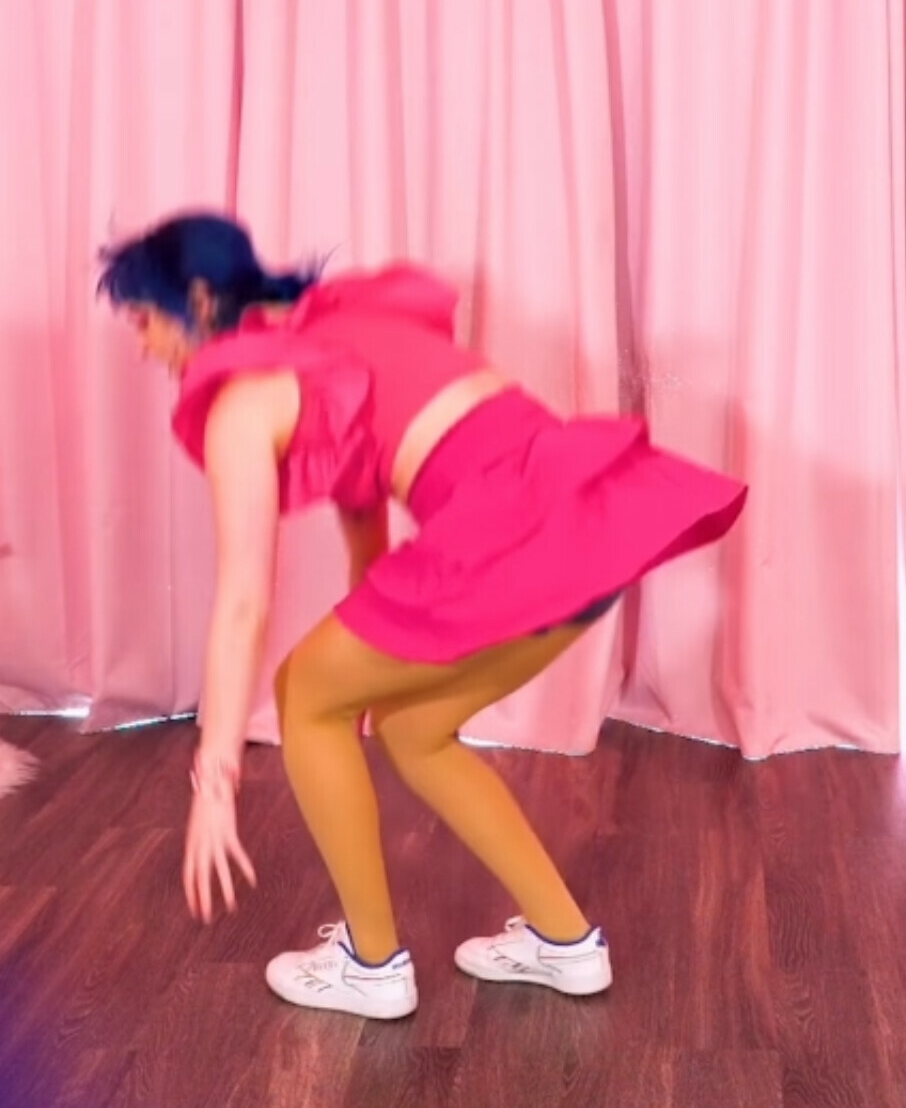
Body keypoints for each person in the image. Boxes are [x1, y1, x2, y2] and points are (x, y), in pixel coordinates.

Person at [97, 211, 747, 1021]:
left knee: (303, 693)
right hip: (587, 515)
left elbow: (242, 603)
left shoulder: (246, 401)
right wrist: (373, 666)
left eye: (143, 319)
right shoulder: (336, 334)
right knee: (413, 730)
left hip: (511, 531)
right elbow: (365, 518)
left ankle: (372, 965)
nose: (141, 345)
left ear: (196, 300)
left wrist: (215, 777)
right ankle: (565, 942)